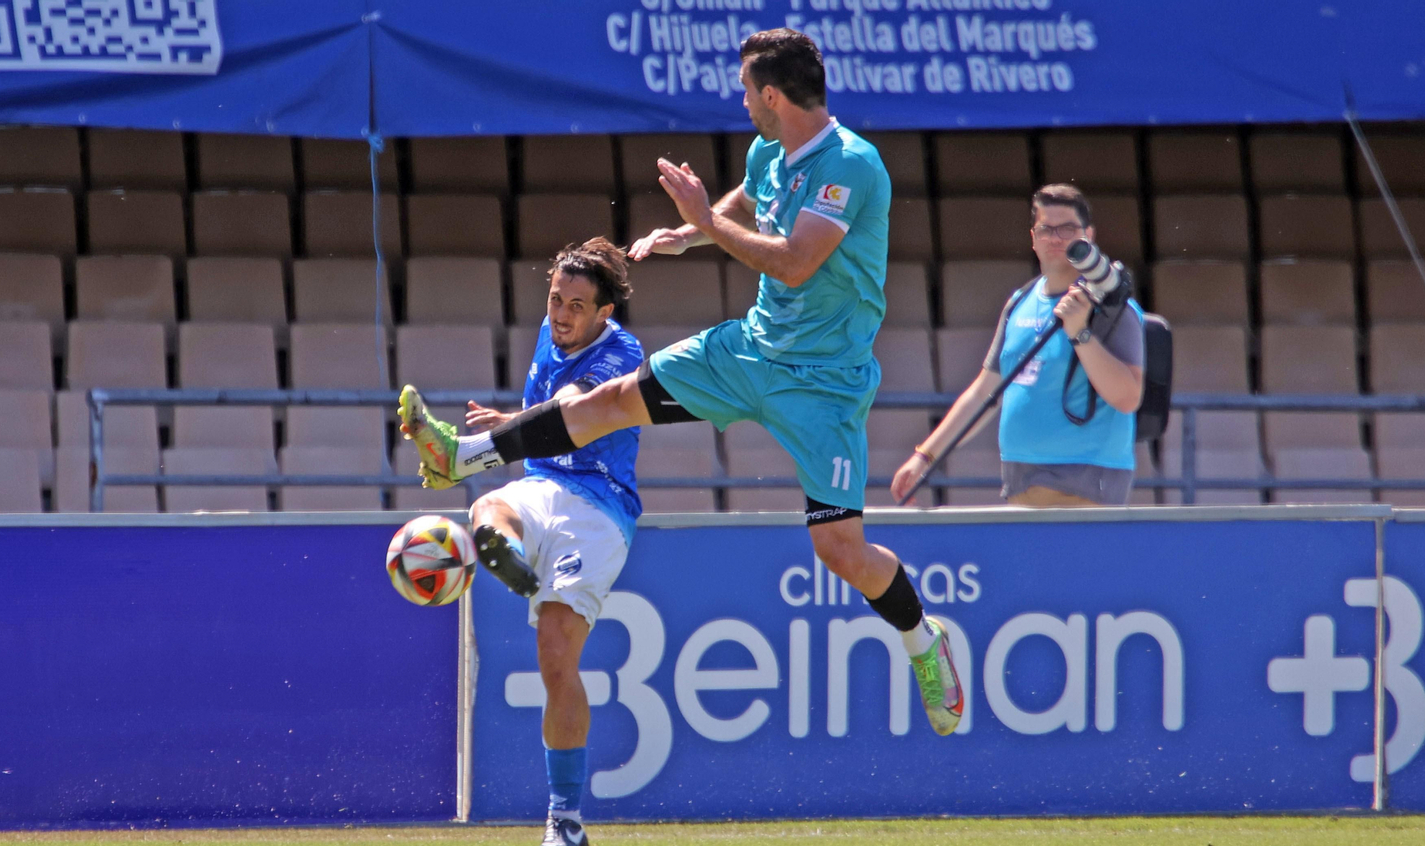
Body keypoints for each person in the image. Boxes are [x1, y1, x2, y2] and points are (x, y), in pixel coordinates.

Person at [398, 28, 963, 740]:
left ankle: (923, 641)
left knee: (839, 551)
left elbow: (793, 262)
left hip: (824, 385)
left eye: (745, 91)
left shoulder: (851, 165)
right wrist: (689, 233)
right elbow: (747, 207)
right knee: (607, 402)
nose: (743, 104)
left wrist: (703, 222)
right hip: (749, 351)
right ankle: (463, 455)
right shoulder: (768, 153)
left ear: (770, 94)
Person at [409, 238, 643, 846]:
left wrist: (507, 433)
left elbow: (569, 410)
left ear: (604, 315)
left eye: (576, 306)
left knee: (556, 655)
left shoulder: (622, 352)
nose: (561, 315)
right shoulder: (550, 331)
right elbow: (542, 418)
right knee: (487, 508)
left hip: (599, 508)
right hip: (544, 483)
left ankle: (564, 820)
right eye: (555, 299)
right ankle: (499, 549)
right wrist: (510, 424)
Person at [892, 185, 1145, 508]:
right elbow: (984, 393)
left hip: (1085, 483)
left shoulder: (1113, 308)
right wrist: (925, 457)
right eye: (1046, 229)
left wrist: (1080, 332)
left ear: (1089, 236)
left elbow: (1128, 397)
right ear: (1033, 238)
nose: (1056, 238)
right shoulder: (1019, 302)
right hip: (1020, 483)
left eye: (1068, 228)